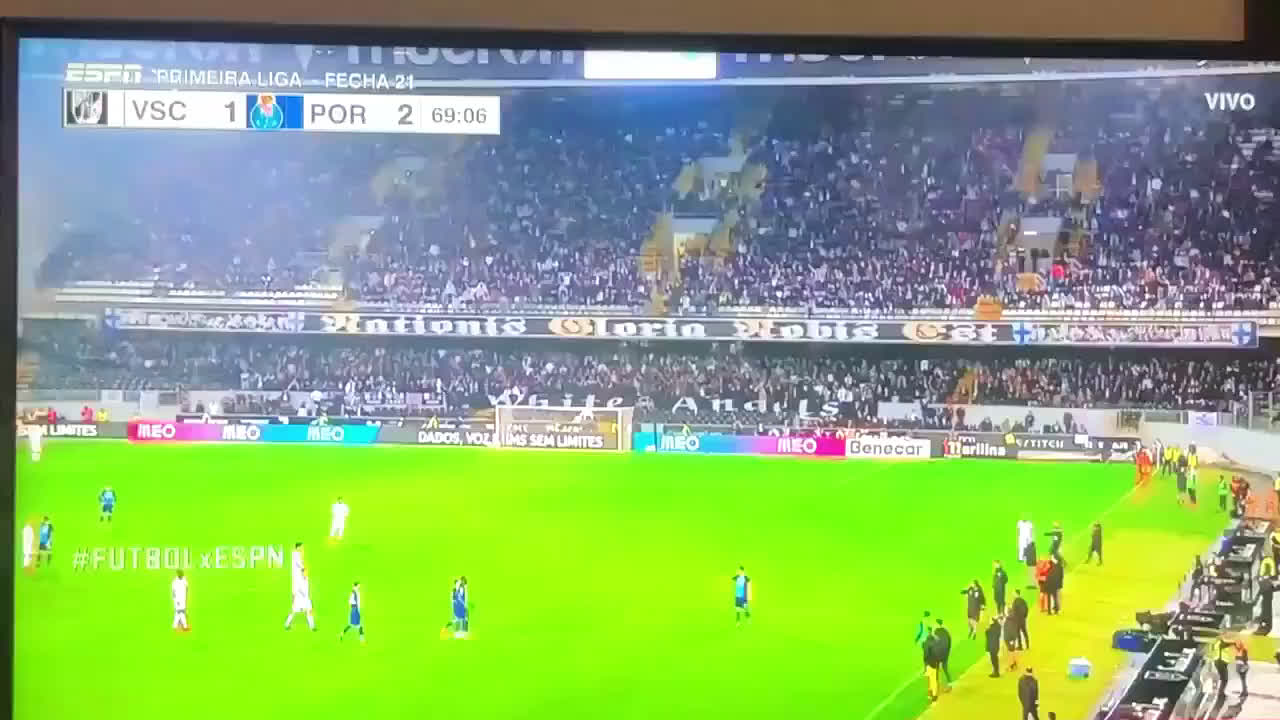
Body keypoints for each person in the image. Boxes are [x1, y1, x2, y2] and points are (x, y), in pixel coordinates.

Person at [922, 630, 942, 703]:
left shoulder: (925, 644)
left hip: (928, 664)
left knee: (930, 679)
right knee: (934, 680)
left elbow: (925, 655)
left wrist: (925, 664)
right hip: (935, 664)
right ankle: (934, 695)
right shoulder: (936, 644)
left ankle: (931, 694)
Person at [1018, 518, 1037, 589]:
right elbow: (1026, 553)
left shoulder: (1029, 547)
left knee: (1031, 573)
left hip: (1031, 563)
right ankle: (1031, 584)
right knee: (1031, 573)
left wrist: (1023, 557)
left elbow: (1025, 553)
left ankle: (1032, 584)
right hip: (1032, 563)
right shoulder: (1032, 547)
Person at [935, 619, 953, 688]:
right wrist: (948, 652)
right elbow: (949, 642)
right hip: (945, 653)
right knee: (945, 668)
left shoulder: (936, 632)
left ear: (937, 624)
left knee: (936, 669)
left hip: (938, 654)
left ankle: (936, 683)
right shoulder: (946, 631)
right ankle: (950, 682)